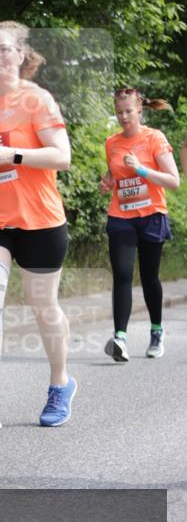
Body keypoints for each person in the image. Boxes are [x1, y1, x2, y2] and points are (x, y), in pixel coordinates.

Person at [0, 21, 76, 430]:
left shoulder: (37, 99)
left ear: (21, 55)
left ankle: (61, 382)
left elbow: (61, 156)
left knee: (43, 308)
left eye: (3, 50)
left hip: (39, 219)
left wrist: (12, 153)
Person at [99, 88, 180, 361]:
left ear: (139, 111)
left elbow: (174, 180)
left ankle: (156, 330)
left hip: (151, 215)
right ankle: (120, 338)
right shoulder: (111, 142)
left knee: (148, 277)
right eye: (119, 112)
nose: (123, 117)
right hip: (121, 215)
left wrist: (142, 169)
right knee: (122, 275)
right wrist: (108, 182)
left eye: (128, 111)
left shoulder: (154, 138)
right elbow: (114, 176)